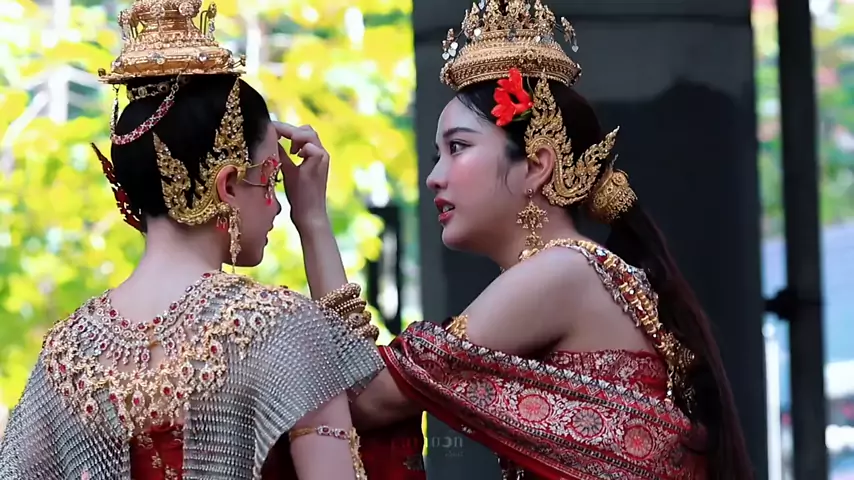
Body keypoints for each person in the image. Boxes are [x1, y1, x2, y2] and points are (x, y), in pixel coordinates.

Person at [286, 0, 754, 478]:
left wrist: (313, 221)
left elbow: (367, 395)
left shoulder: (563, 272)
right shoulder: (586, 271)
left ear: (535, 165)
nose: (434, 177)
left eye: (458, 147)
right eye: (436, 156)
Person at [0, 1, 382, 478]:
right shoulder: (281, 327)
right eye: (271, 180)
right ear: (228, 186)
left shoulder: (65, 355)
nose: (278, 207)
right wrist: (315, 223)